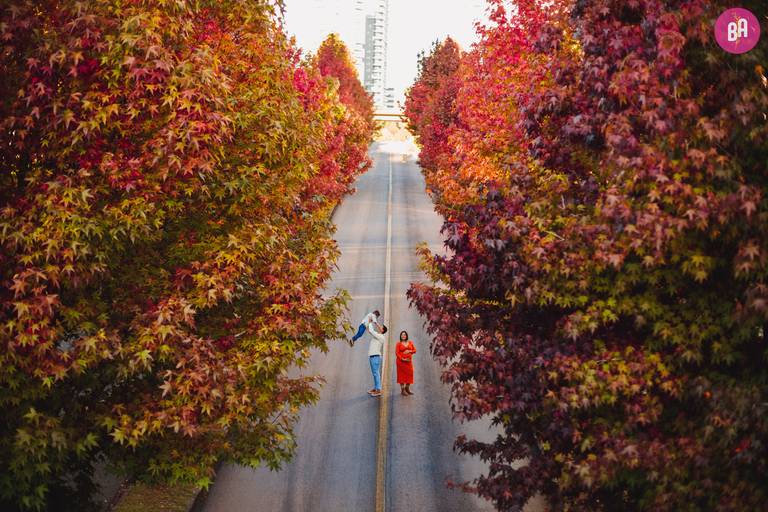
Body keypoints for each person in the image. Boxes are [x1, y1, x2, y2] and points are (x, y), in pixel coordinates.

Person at [367, 322, 387, 397]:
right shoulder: (378, 335)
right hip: (372, 356)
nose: (379, 327)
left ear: (383, 330)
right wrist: (368, 323)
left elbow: (371, 331)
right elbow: (370, 330)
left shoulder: (381, 337)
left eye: (381, 327)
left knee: (376, 373)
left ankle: (378, 390)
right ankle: (376, 388)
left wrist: (370, 322)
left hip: (375, 357)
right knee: (374, 373)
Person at [395, 331, 416, 396]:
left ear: (406, 336)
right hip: (401, 362)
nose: (403, 336)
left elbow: (415, 350)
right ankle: (402, 390)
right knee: (401, 375)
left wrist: (409, 351)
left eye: (404, 335)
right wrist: (402, 359)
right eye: (402, 335)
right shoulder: (398, 344)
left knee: (410, 373)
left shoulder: (410, 343)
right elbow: (397, 353)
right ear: (400, 336)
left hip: (408, 362)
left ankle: (407, 388)